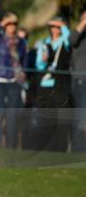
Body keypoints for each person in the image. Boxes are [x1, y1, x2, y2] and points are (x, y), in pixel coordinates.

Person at [0, 12, 27, 148]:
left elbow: (24, 61)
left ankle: (11, 144)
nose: (11, 26)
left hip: (14, 81)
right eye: (9, 24)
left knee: (11, 114)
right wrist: (2, 23)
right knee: (1, 111)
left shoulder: (21, 42)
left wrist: (23, 74)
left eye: (14, 24)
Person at [32, 16, 72, 152]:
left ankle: (60, 148)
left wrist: (61, 24)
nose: (55, 29)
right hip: (45, 86)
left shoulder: (64, 42)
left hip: (60, 86)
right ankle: (44, 147)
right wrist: (43, 61)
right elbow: (38, 65)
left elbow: (69, 36)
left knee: (59, 118)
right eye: (53, 27)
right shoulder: (44, 43)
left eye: (58, 27)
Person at [69, 9, 86, 152]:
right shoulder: (78, 35)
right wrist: (84, 22)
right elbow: (71, 40)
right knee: (80, 115)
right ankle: (78, 149)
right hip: (81, 80)